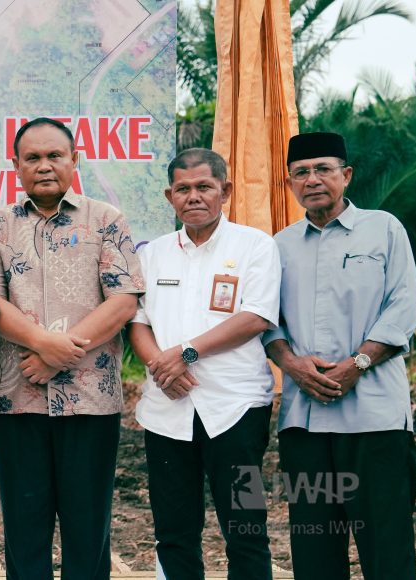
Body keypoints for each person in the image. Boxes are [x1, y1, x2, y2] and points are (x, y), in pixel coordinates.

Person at [0, 117, 144, 580]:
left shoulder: (106, 220)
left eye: (54, 155)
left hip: (91, 399)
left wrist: (59, 354)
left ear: (74, 160)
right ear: (16, 165)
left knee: (88, 529)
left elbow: (123, 300)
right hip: (17, 398)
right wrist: (44, 345)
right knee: (24, 527)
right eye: (33, 158)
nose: (44, 166)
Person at [264, 132, 416, 579]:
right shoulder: (279, 246)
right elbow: (266, 321)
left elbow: (404, 307)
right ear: (290, 184)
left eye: (323, 169)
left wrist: (358, 364)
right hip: (305, 420)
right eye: (301, 172)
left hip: (375, 418)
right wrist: (291, 364)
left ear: (346, 175)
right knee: (315, 550)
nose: (312, 180)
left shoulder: (384, 229)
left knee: (386, 547)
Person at [127, 148, 280, 580]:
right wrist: (161, 368)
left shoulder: (255, 246)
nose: (193, 197)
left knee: (246, 529)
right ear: (169, 196)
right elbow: (137, 323)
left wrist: (185, 353)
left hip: (237, 409)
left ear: (225, 191)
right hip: (166, 410)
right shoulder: (152, 254)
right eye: (183, 189)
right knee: (173, 532)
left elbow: (256, 316)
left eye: (204, 187)